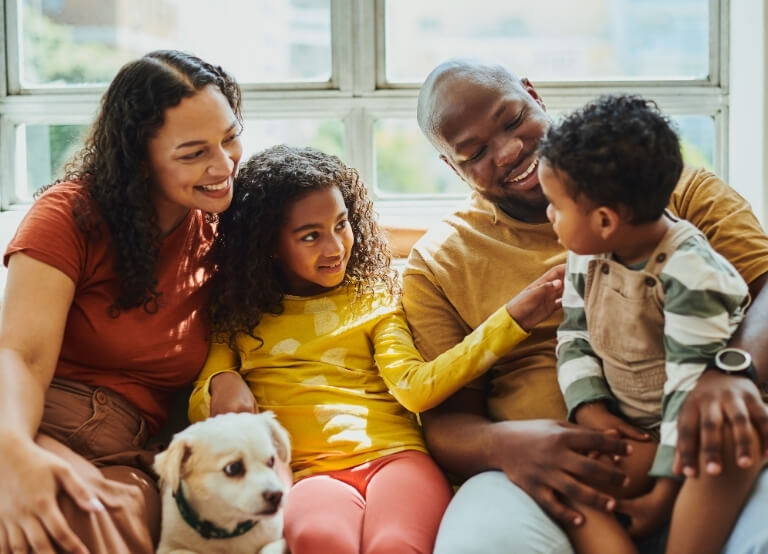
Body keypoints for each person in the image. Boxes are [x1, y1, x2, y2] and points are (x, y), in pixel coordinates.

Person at [404, 58, 768, 554]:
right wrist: (510, 445)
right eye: (474, 153)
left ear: (533, 93)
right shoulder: (441, 260)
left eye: (512, 120)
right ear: (452, 166)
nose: (509, 150)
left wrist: (730, 372)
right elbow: (445, 419)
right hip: (538, 472)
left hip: (705, 430)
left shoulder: (667, 187)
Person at [187, 144, 578, 554]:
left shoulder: (373, 301)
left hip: (397, 459)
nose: (335, 247)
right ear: (268, 245)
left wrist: (511, 319)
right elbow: (206, 409)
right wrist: (222, 379)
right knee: (319, 539)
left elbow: (415, 387)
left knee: (394, 545)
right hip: (312, 474)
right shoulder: (235, 317)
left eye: (341, 224)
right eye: (310, 236)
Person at [0, 50, 244, 554]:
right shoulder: (70, 215)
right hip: (26, 423)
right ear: (139, 159)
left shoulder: (230, 224)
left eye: (230, 136)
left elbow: (330, 231)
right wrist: (17, 454)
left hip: (122, 456)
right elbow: (20, 356)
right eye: (194, 152)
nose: (223, 165)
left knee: (89, 522)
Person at [540, 94, 763, 554]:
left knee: (719, 460)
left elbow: (689, 389)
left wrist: (662, 495)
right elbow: (574, 337)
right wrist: (591, 409)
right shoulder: (585, 255)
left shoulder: (690, 273)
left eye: (554, 206)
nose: (548, 216)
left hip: (703, 421)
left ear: (604, 220)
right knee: (568, 479)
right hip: (642, 427)